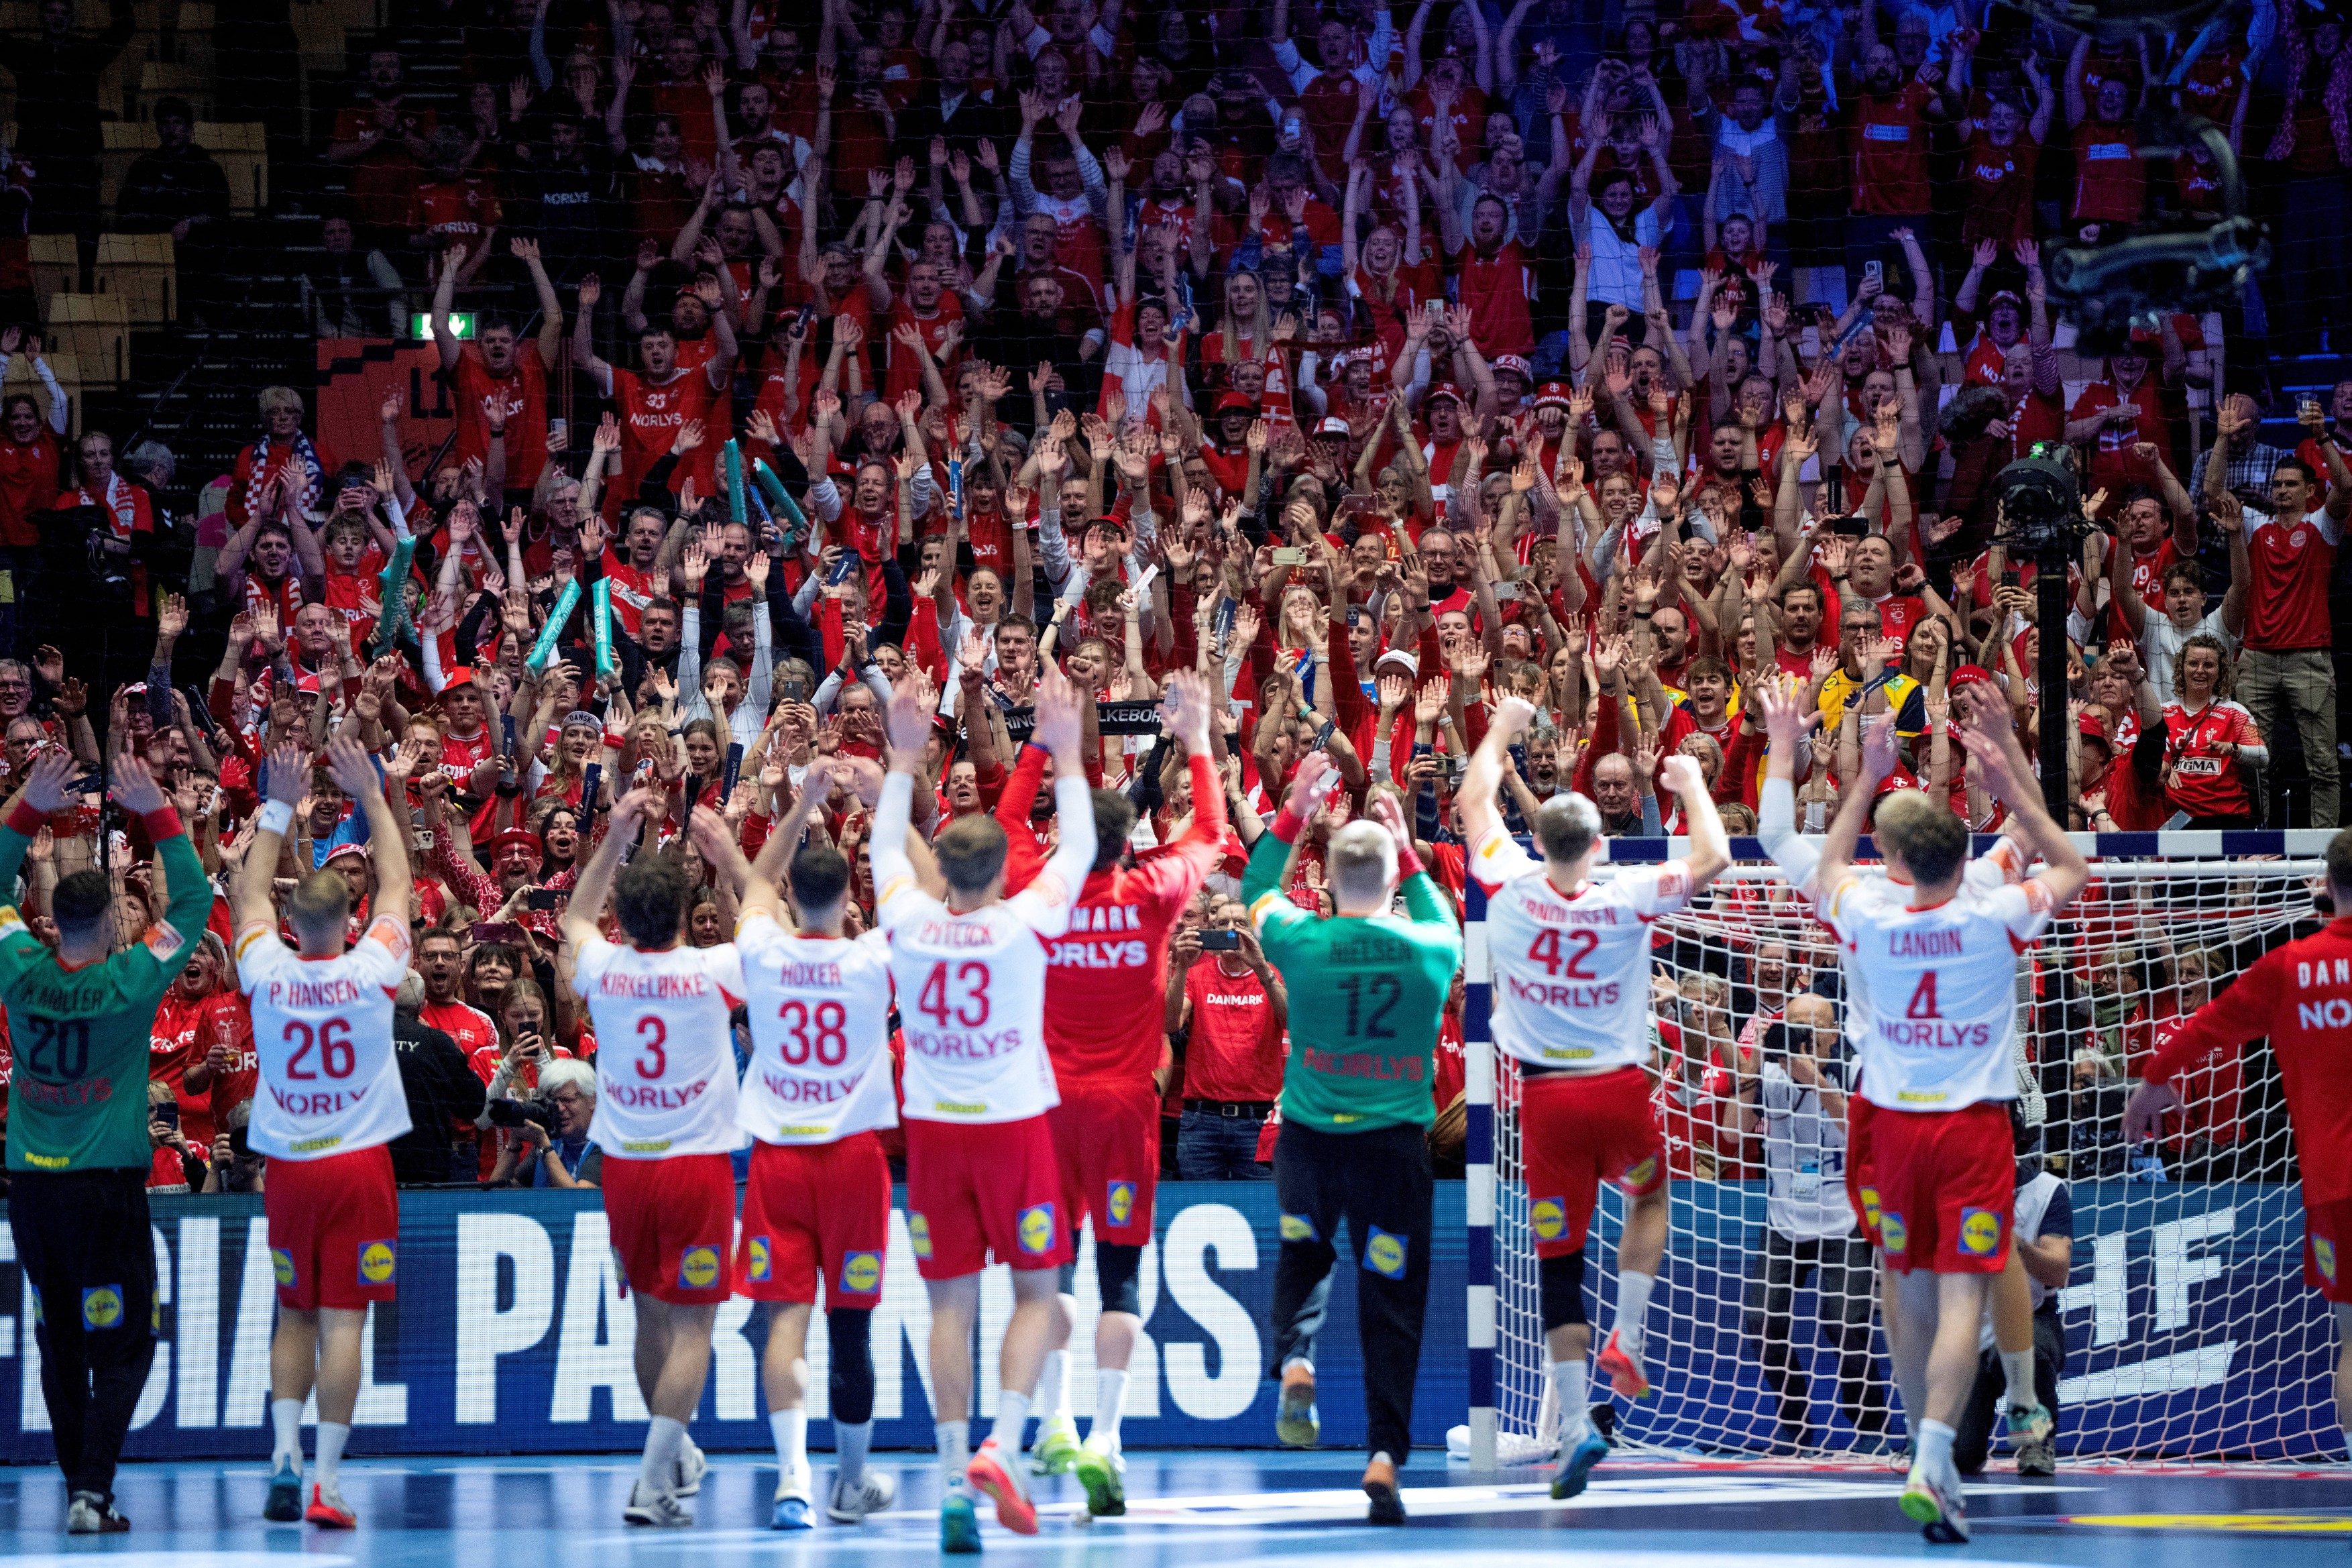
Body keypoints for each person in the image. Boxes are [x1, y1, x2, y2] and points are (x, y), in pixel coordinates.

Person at [1813, 684, 2088, 1541]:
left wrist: (1863, 779)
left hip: (1890, 1123)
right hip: (1972, 1124)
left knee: (1907, 1294)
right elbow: (2069, 864)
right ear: (1965, 854)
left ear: (1892, 857)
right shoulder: (1992, 913)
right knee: (1962, 1293)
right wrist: (2010, 773)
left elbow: (1820, 868)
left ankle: (1936, 1443)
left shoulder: (1865, 912)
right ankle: (1946, 1451)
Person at [1460, 695, 1730, 1496]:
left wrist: (1506, 728)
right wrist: (1685, 783)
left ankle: (1575, 1423)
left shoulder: (1506, 887)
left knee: (1558, 1265)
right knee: (1651, 1196)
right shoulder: (1627, 895)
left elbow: (1476, 800)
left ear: (1533, 840)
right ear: (1602, 846)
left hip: (1544, 1105)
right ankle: (1630, 1336)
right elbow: (1714, 856)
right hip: (1617, 1091)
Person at [868, 670, 1094, 1553]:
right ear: (1000, 868)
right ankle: (1003, 1439)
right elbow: (1075, 847)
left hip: (931, 1136)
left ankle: (956, 1473)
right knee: (1037, 1291)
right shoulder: (1024, 922)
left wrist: (901, 752)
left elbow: (886, 848)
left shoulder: (906, 923)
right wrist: (1065, 750)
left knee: (948, 1310)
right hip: (1012, 1130)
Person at [1241, 752, 1464, 1525]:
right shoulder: (1430, 950)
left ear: (1329, 879)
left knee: (1304, 1253)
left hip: (1307, 1141)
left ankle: (1296, 1361)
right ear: (1393, 879)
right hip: (1392, 1150)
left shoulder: (1301, 941)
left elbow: (1255, 889)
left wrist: (1294, 811)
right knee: (1391, 1300)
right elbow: (1441, 917)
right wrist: (1408, 848)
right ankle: (1382, 1455)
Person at [1027, 669, 1225, 1516]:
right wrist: (1201, 738)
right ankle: (1108, 1438)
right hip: (1125, 1112)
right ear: (1131, 840)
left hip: (1048, 1110)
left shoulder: (1038, 892)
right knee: (1119, 1281)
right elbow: (1213, 830)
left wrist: (1053, 746)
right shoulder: (1152, 891)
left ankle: (1058, 1422)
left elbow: (1004, 824)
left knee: (1051, 1275)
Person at [0, 747, 207, 1535]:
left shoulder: (19, 966)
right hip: (108, 1188)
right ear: (113, 923)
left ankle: (77, 1488)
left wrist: (30, 804)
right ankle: (93, 1487)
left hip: (32, 1188)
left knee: (58, 1338)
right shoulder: (131, 981)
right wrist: (158, 809)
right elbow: (189, 906)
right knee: (125, 1346)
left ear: (54, 920)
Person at [705, 758, 898, 1531]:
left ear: (793, 898)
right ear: (849, 899)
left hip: (779, 1163)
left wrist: (801, 803)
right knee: (851, 1325)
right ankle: (851, 1483)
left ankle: (793, 1480)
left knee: (784, 1321)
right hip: (853, 1163)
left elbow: (754, 890)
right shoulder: (874, 958)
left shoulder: (765, 953)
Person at [2125, 828, 2352, 1459]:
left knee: (2351, 1335)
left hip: (2332, 1187)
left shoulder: (2289, 967)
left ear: (2326, 888)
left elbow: (2203, 1027)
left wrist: (2149, 1082)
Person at [236, 736, 412, 1529]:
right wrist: (371, 790)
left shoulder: (265, 971)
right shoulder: (373, 966)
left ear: (289, 925)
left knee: (294, 1313)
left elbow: (245, 897)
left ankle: (282, 1455)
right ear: (348, 919)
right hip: (358, 1166)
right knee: (347, 1319)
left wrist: (277, 800)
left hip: (291, 1170)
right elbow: (401, 883)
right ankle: (329, 1483)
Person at [558, 783, 742, 1527]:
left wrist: (615, 834)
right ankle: (651, 1480)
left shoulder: (602, 968)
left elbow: (573, 914)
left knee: (649, 1320)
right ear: (679, 919)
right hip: (696, 1167)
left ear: (627, 920)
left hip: (625, 1169)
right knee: (695, 1328)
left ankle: (672, 1454)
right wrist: (726, 862)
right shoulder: (711, 970)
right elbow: (764, 925)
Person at [1731, 995, 1893, 1454]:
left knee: (1846, 1323)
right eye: (1795, 1024)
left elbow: (1867, 1137)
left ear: (1833, 1029)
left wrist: (1816, 1079)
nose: (1805, 1034)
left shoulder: (1858, 1067)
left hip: (1845, 1217)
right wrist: (1755, 1061)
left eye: (1815, 1025)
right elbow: (1731, 1131)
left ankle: (1868, 1426)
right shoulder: (1768, 1072)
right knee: (1761, 1322)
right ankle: (1796, 1428)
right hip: (1785, 1218)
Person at [1952, 1126, 2070, 1476]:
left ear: (2014, 1141)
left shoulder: (2045, 1190)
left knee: (2034, 1342)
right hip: (1969, 1325)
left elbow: (2058, 1271)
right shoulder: (1952, 1188)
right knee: (1960, 1457)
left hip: (2033, 1317)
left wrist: (2012, 1242)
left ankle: (2037, 1442)